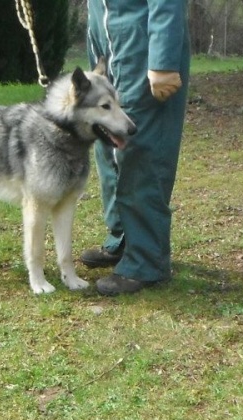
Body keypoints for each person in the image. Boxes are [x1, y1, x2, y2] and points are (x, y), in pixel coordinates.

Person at [82, 0, 191, 296]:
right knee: (108, 144)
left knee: (140, 148)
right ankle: (123, 239)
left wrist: (164, 60)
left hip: (142, 46)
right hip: (106, 40)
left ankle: (146, 260)